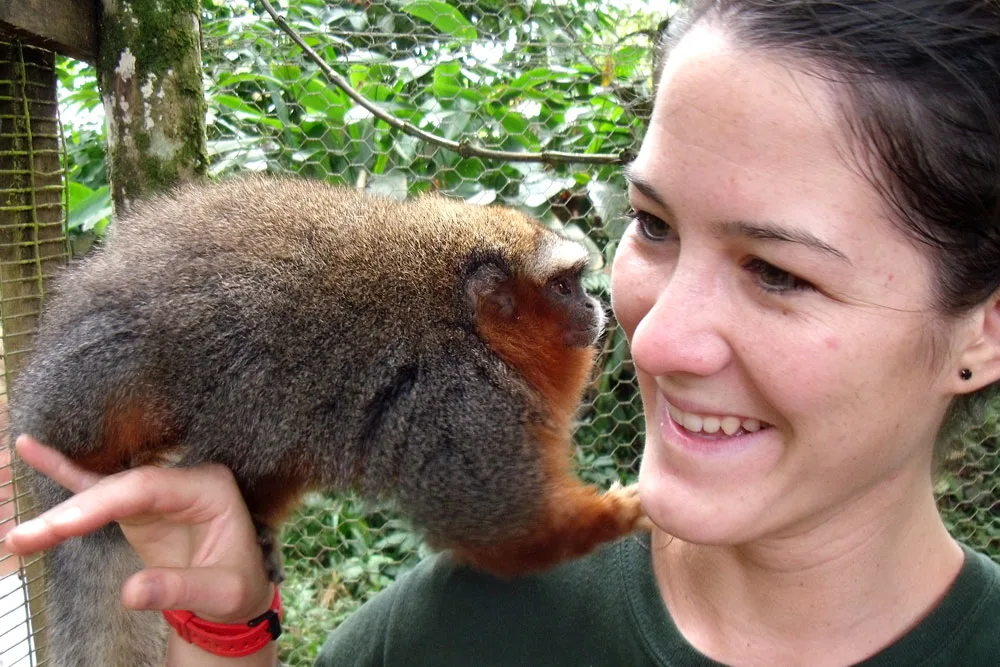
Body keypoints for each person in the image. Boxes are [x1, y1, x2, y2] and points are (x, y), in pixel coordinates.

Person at [5, 0, 1000, 664]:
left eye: (778, 273)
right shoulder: (457, 630)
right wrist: (220, 630)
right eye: (652, 226)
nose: (650, 342)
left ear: (984, 330)